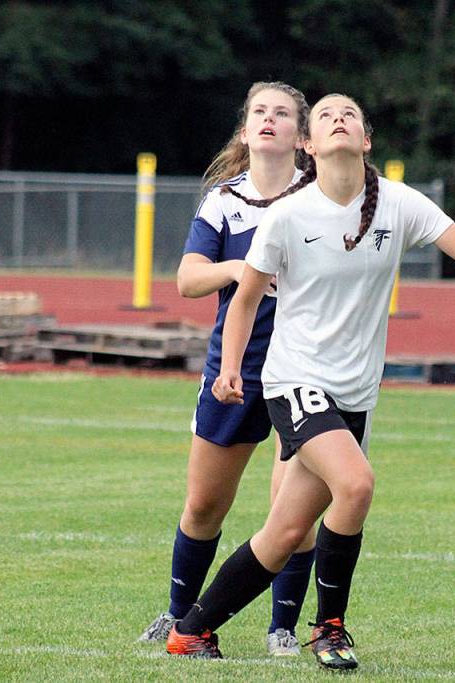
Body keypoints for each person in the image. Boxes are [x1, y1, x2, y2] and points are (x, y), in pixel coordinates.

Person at [165, 93, 455, 669]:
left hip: (355, 392)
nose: (339, 118)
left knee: (286, 530)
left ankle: (192, 631)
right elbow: (243, 301)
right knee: (357, 484)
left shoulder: (397, 204)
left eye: (350, 115)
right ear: (310, 146)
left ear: (365, 140)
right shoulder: (287, 216)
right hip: (292, 381)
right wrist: (227, 370)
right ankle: (330, 628)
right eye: (325, 115)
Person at [138, 82, 320, 657]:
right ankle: (177, 616)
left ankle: (283, 628)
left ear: (302, 137)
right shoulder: (223, 200)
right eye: (259, 113)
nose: (269, 120)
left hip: (305, 367)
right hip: (233, 367)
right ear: (246, 131)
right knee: (203, 506)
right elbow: (189, 279)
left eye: (283, 114)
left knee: (294, 510)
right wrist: (243, 267)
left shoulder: (320, 199)